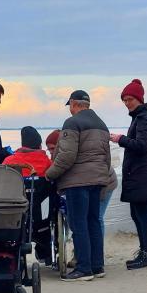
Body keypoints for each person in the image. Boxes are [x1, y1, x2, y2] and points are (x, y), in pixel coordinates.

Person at [45, 90, 112, 281]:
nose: (70, 110)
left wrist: (50, 174)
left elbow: (66, 156)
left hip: (77, 182)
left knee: (79, 223)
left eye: (70, 106)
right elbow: (106, 157)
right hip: (98, 179)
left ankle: (84, 268)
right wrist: (102, 177)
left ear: (74, 104)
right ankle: (97, 266)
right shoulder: (102, 125)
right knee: (93, 222)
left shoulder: (72, 123)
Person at [109, 79, 147, 269]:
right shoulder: (141, 116)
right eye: (124, 99)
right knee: (137, 213)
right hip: (140, 172)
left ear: (139, 99)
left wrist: (120, 139)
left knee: (142, 215)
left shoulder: (143, 118)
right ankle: (144, 252)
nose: (127, 103)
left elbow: (142, 145)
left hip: (142, 173)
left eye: (130, 99)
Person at [2, 126, 53, 262]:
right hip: (41, 215)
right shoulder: (45, 161)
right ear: (39, 144)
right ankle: (45, 254)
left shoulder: (9, 161)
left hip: (16, 212)